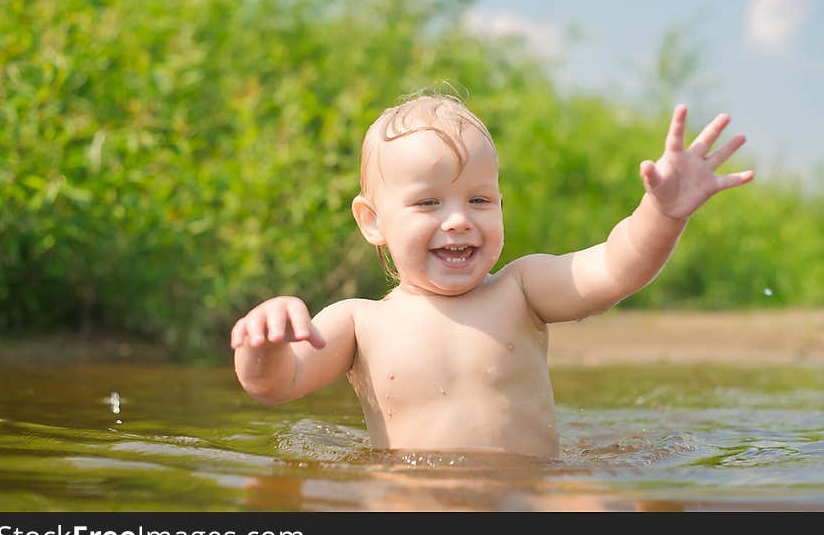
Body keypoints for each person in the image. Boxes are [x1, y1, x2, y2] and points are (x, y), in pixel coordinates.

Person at [231, 94, 753, 459]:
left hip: (534, 494)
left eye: (479, 199)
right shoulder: (357, 323)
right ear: (372, 221)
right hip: (412, 502)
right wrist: (264, 343)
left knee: (595, 506)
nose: (459, 219)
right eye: (428, 202)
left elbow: (617, 268)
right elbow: (277, 384)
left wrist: (663, 213)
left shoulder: (521, 290)